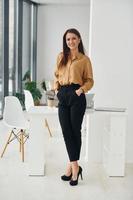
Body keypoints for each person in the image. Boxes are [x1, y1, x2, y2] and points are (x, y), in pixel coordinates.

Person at [54, 28, 94, 186]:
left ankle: (72, 168)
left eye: (73, 38)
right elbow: (56, 75)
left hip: (77, 96)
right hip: (63, 94)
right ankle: (75, 166)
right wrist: (57, 89)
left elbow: (90, 80)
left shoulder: (85, 60)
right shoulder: (60, 57)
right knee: (65, 131)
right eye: (68, 39)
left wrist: (80, 91)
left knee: (74, 132)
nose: (70, 41)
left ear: (79, 40)